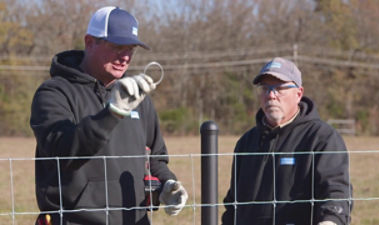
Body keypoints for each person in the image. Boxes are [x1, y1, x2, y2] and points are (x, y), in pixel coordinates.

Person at [30, 6, 188, 225]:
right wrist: (112, 113)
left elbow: (154, 158)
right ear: (89, 42)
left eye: (131, 49)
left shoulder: (138, 97)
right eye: (117, 47)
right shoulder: (54, 93)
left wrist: (166, 184)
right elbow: (65, 152)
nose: (125, 57)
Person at [221, 57, 352, 225]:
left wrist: (330, 221)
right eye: (265, 88)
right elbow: (234, 203)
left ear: (298, 94)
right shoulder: (246, 142)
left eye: (279, 88)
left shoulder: (321, 138)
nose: (271, 95)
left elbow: (336, 194)